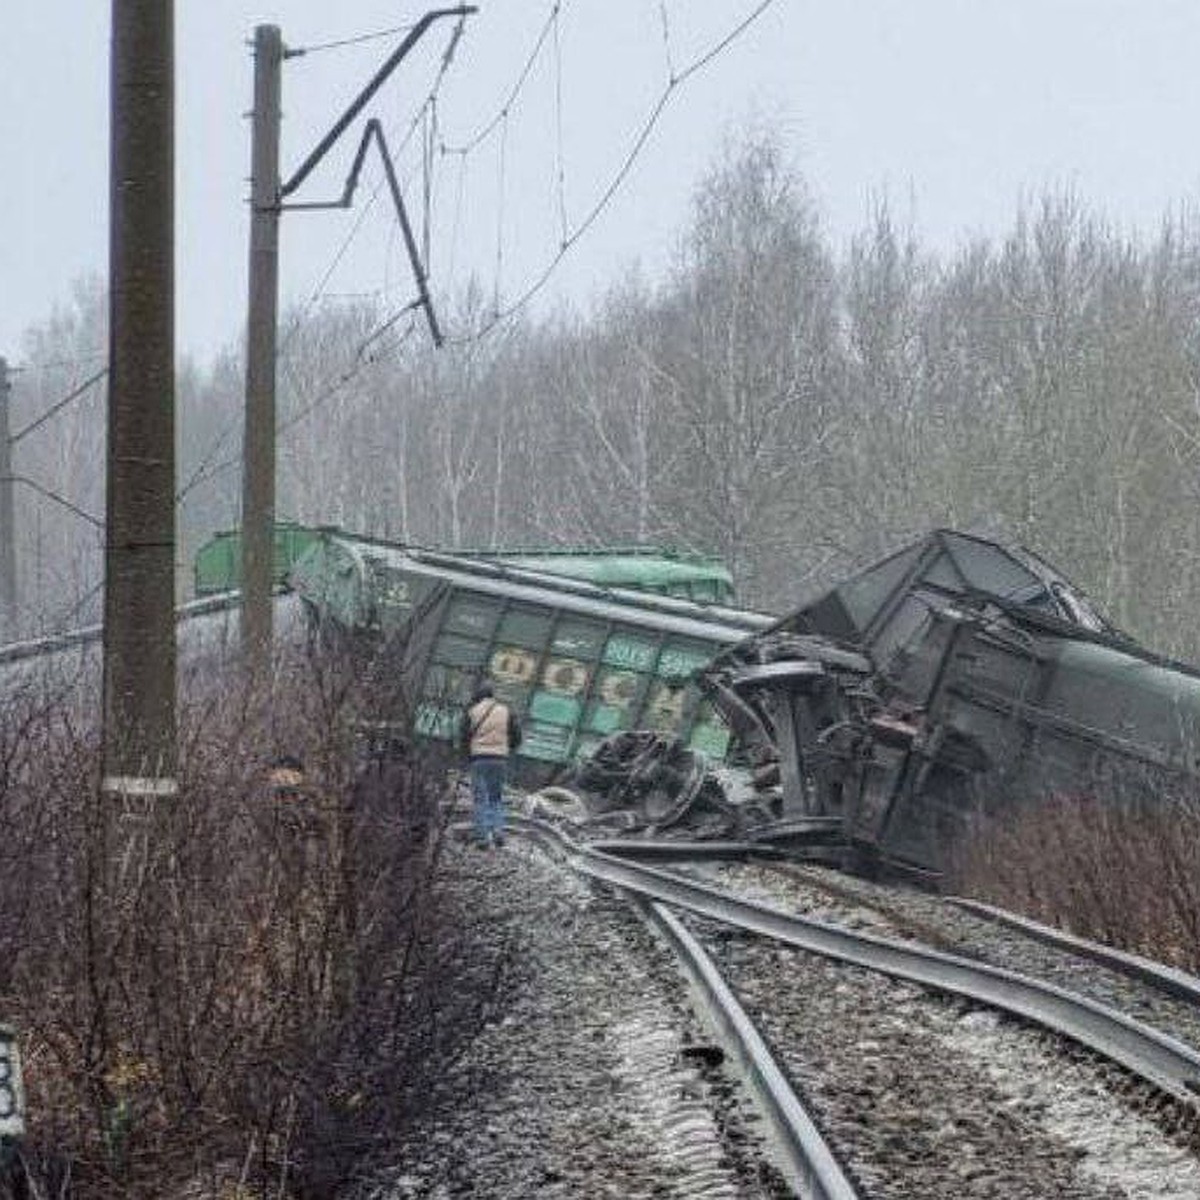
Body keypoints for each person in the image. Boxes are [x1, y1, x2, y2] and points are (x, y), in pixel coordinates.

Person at [459, 680, 522, 849]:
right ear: (492, 695)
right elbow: (517, 737)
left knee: (480, 798)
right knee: (496, 797)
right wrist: (506, 748)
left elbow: (463, 737)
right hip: (500, 759)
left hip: (479, 758)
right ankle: (498, 832)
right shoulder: (506, 711)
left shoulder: (472, 712)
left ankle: (482, 837)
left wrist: (467, 755)